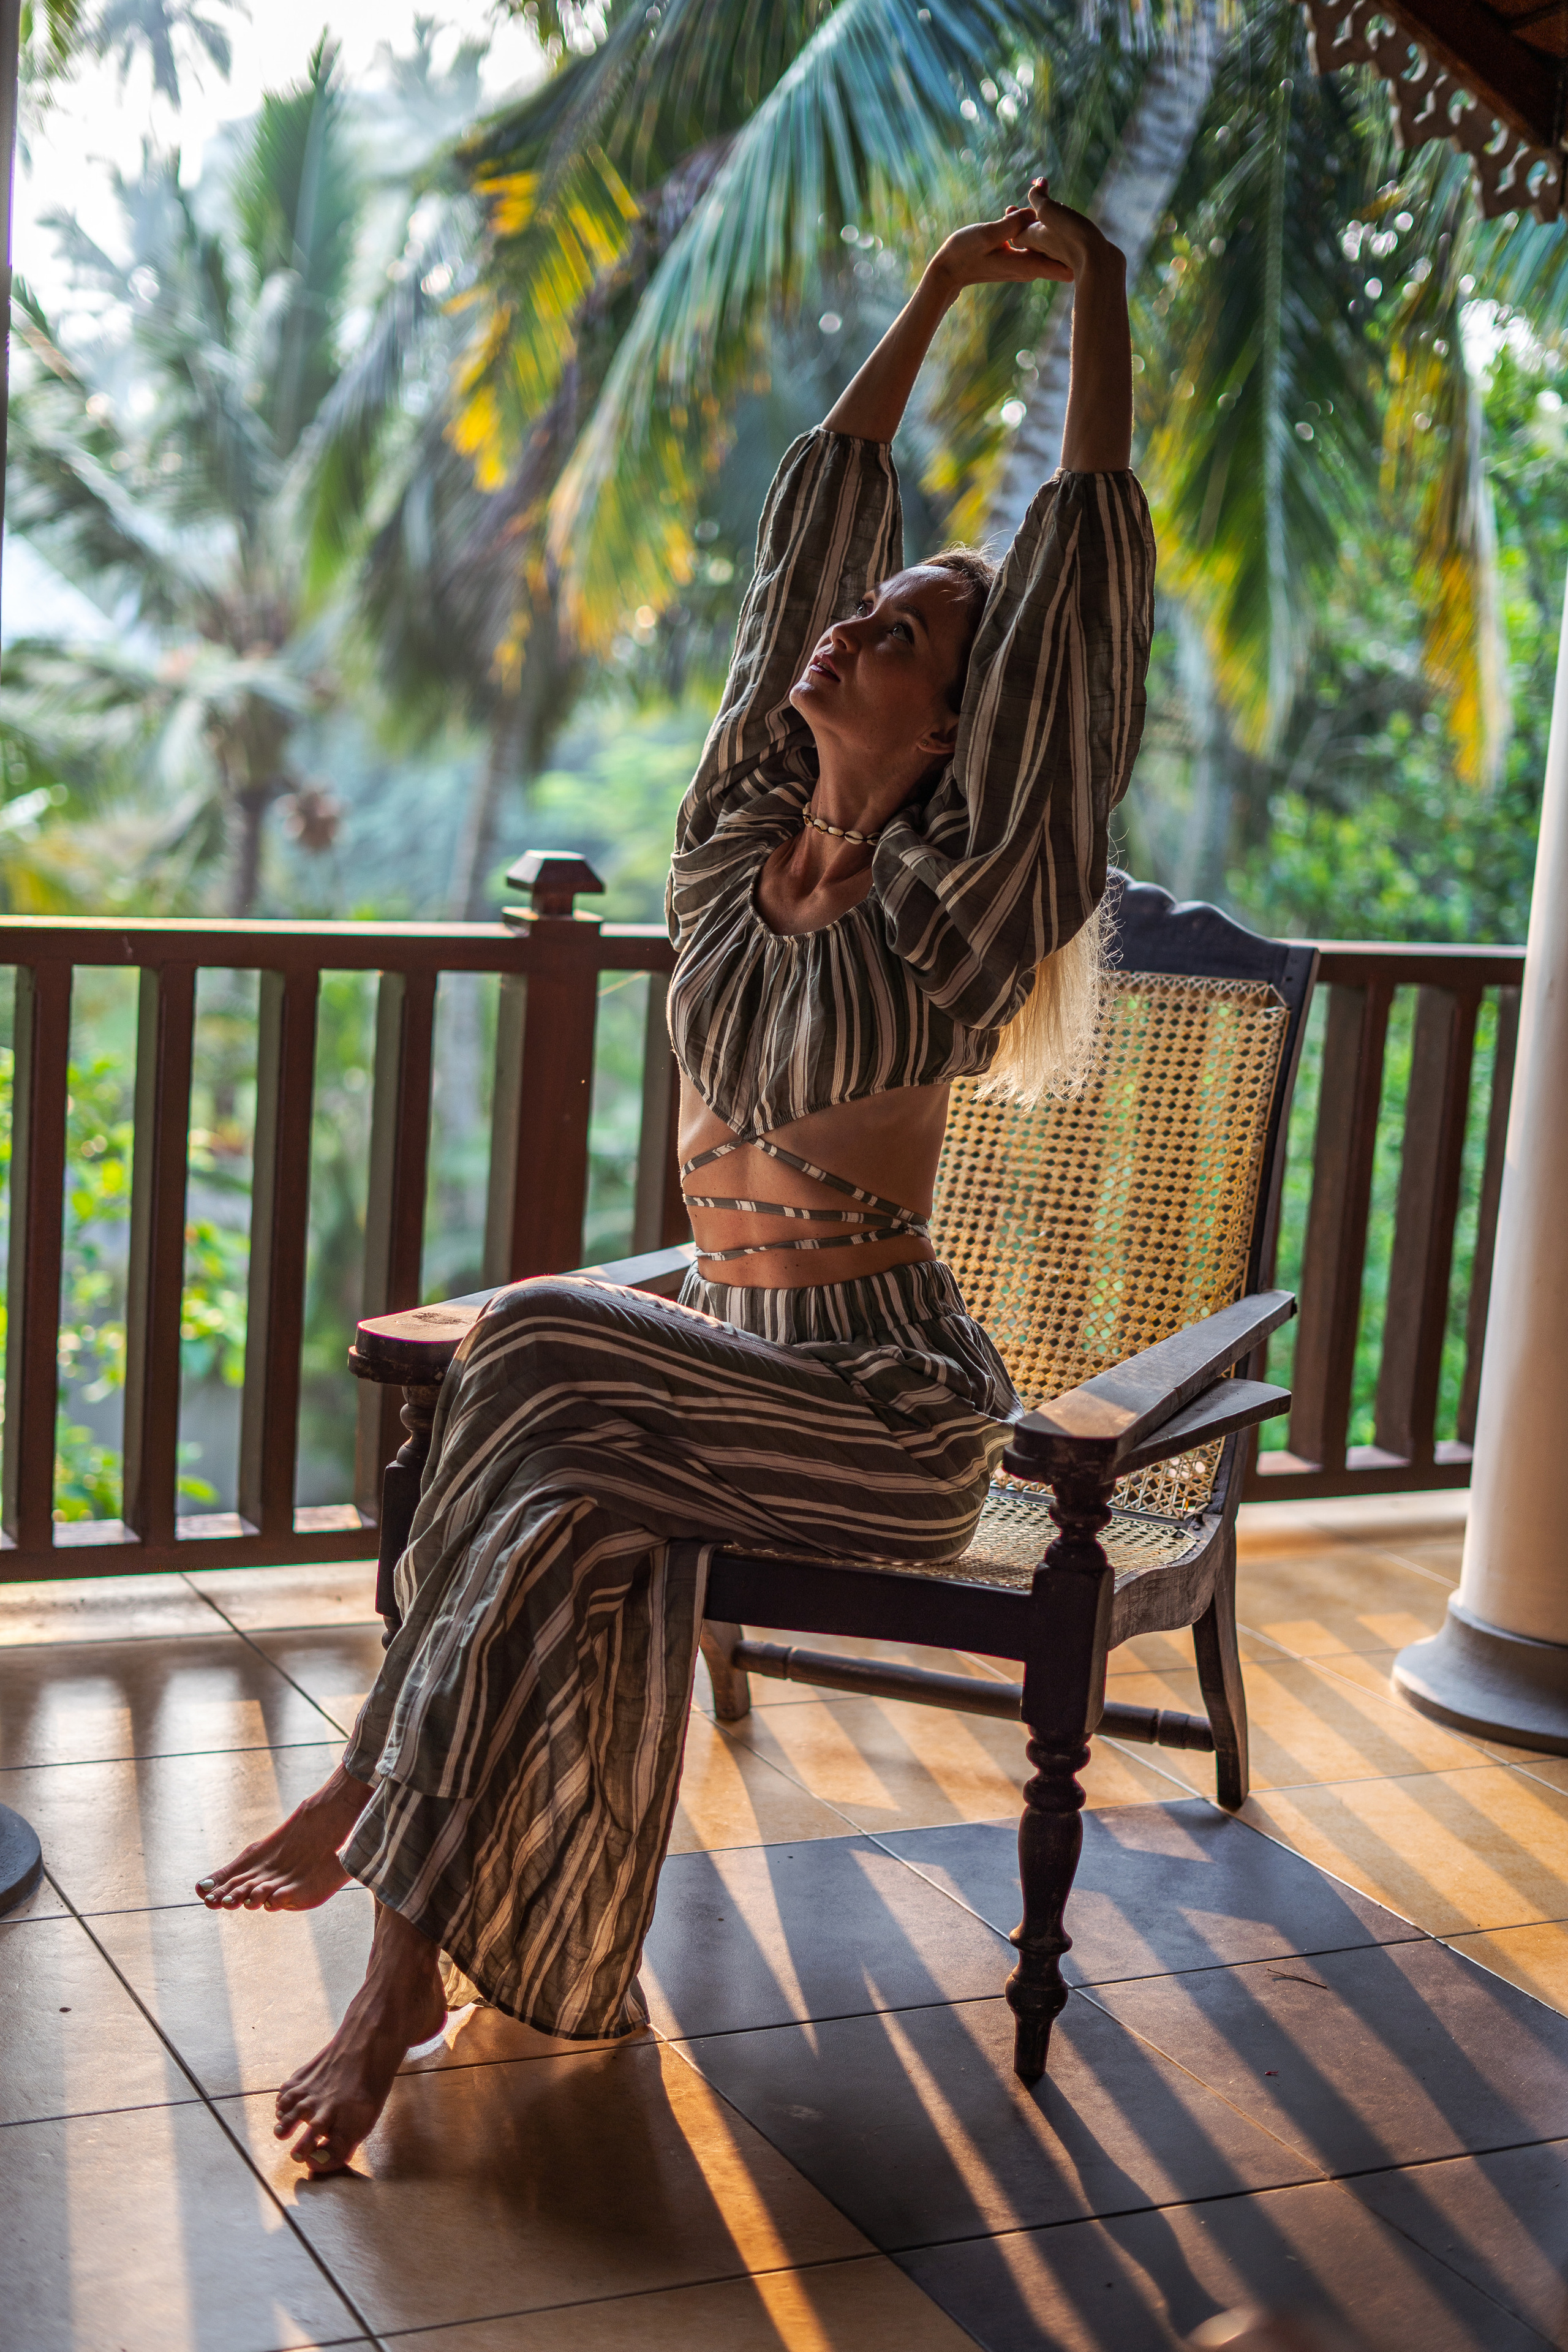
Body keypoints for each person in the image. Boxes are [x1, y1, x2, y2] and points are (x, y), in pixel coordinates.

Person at [194, 176, 1153, 2173]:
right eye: (869, 604)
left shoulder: (962, 905)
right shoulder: (731, 858)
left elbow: (1073, 628)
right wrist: (930, 296)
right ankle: (413, 1975)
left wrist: (1106, 315)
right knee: (567, 1510)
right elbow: (807, 534)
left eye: (908, 629)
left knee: (537, 1345)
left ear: (966, 723)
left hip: (883, 1405)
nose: (857, 614)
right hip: (721, 1370)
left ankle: (373, 1805)